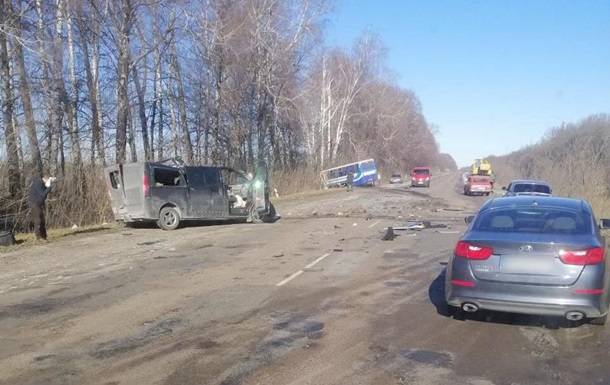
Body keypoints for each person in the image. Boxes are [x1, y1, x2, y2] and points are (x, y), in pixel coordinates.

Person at [27, 173, 55, 242]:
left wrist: (49, 186)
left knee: (42, 220)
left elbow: (45, 192)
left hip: (39, 203)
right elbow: (42, 194)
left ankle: (44, 236)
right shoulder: (38, 183)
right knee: (38, 219)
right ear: (46, 179)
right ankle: (39, 237)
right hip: (34, 203)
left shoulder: (42, 183)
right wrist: (49, 187)